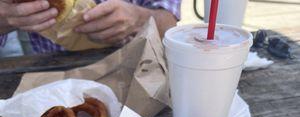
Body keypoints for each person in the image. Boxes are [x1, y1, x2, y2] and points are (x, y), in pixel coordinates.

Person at [0, 0, 179, 54]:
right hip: (45, 74)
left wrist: (140, 18)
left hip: (136, 71)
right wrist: (5, 18)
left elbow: (169, 26)